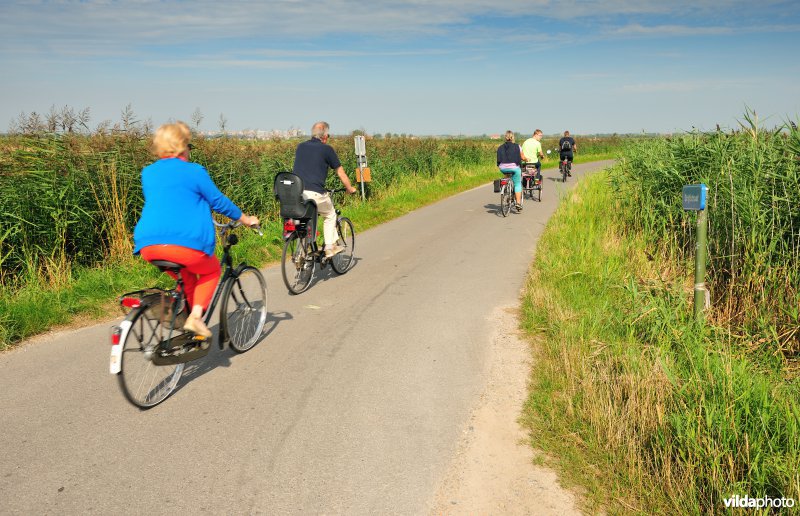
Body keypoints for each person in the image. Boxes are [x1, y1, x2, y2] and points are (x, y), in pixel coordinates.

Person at [133, 121, 259, 339]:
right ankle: (195, 318)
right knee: (211, 271)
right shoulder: (194, 171)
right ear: (182, 146)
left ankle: (190, 331)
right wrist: (246, 219)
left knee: (189, 276)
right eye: (188, 145)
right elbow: (219, 202)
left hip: (148, 245)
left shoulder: (148, 173)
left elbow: (168, 203)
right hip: (184, 246)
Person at [292, 121, 357, 258]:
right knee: (330, 214)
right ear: (325, 136)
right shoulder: (327, 149)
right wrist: (350, 188)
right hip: (315, 193)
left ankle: (302, 250)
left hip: (296, 192)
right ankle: (329, 246)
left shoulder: (300, 147)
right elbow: (341, 173)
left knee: (307, 217)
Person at [496, 130, 523, 212]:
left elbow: (498, 159)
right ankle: (518, 203)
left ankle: (505, 188)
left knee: (507, 176)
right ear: (512, 137)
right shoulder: (517, 146)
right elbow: (522, 157)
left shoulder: (500, 147)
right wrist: (526, 159)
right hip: (514, 168)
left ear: (505, 137)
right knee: (517, 183)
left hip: (503, 168)